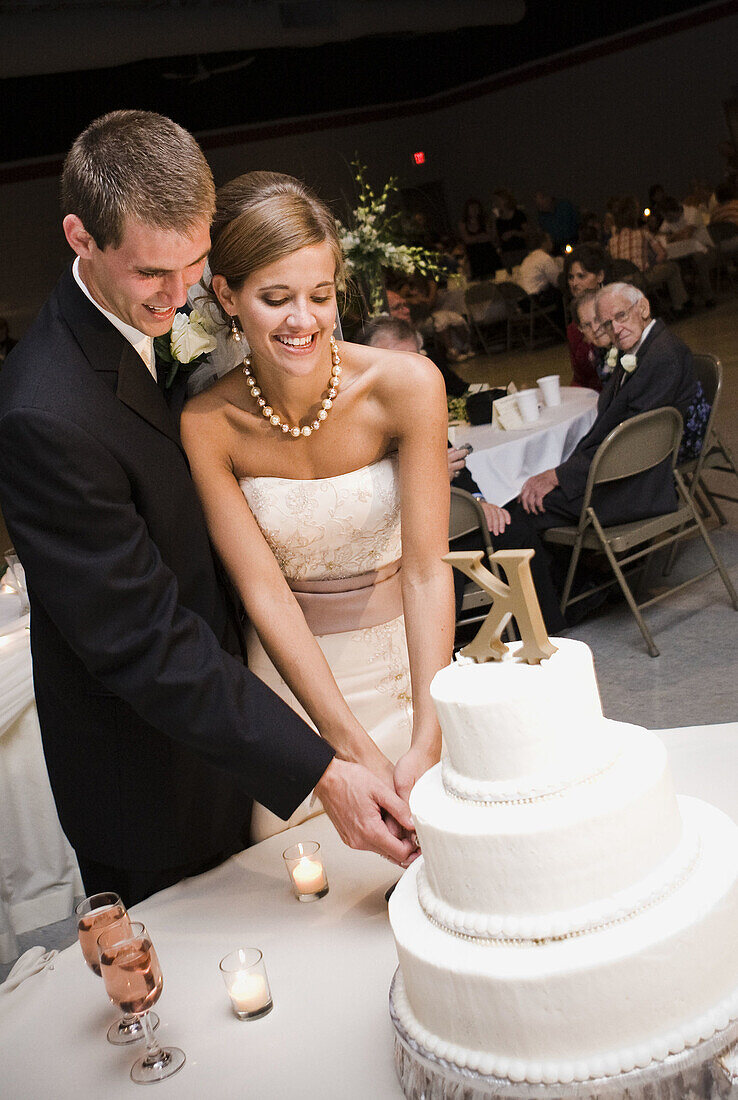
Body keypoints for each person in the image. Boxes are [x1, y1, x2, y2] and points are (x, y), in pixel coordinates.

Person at [0, 112, 418, 908]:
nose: (184, 292)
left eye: (197, 263)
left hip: (252, 708)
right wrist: (323, 769)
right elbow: (142, 643)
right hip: (155, 777)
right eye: (154, 272)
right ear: (79, 238)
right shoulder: (42, 412)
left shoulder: (175, 314)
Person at [181, 172, 455, 838]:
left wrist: (431, 728)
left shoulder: (407, 386)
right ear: (229, 295)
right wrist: (343, 748)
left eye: (321, 296)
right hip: (293, 696)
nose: (304, 321)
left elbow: (426, 570)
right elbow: (264, 594)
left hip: (411, 673)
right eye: (277, 298)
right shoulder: (207, 423)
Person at [491, 283, 704, 630]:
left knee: (518, 514)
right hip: (622, 472)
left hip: (636, 486)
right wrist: (559, 472)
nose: (614, 329)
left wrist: (559, 476)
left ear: (644, 308)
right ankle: (583, 587)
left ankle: (556, 615)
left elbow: (631, 445)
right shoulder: (644, 348)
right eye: (607, 323)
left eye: (621, 316)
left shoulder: (661, 356)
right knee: (525, 499)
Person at [358, 315, 509, 617]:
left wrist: (480, 502)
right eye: (397, 362)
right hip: (403, 546)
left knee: (512, 526)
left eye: (415, 361)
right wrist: (427, 475)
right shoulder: (360, 419)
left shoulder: (421, 403)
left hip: (453, 523)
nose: (410, 373)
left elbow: (457, 465)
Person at [607, 195, 690, 316]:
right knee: (672, 267)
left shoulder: (611, 242)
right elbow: (662, 254)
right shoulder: (643, 233)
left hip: (621, 282)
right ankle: (680, 306)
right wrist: (652, 263)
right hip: (640, 278)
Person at [563, 244, 612, 390]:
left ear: (600, 276)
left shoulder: (617, 312)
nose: (574, 283)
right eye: (571, 277)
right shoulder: (573, 328)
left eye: (581, 276)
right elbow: (580, 378)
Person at [458, 199, 501, 280]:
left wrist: (476, 239)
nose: (474, 210)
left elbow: (490, 237)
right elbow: (467, 240)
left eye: (476, 208)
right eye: (472, 208)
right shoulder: (463, 223)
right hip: (474, 256)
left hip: (488, 253)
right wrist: (480, 237)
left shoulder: (484, 221)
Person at [492, 189, 528, 267]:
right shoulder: (498, 220)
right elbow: (496, 239)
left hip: (520, 251)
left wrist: (514, 233)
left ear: (506, 200)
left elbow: (527, 233)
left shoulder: (518, 214)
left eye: (498, 200)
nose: (496, 203)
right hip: (506, 254)